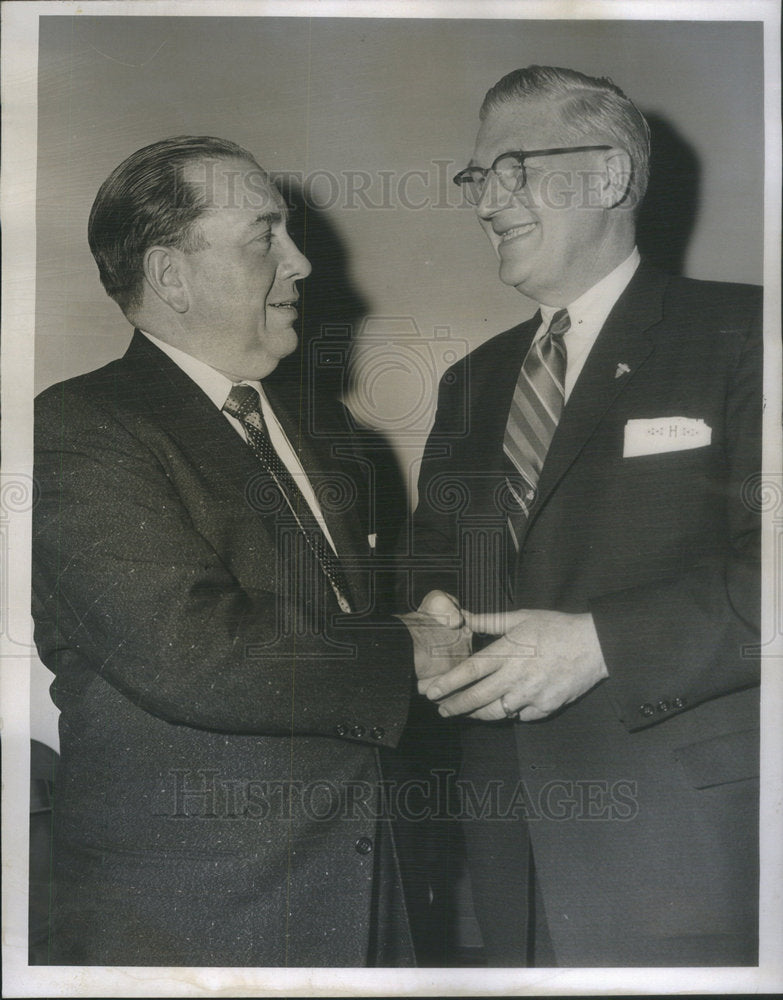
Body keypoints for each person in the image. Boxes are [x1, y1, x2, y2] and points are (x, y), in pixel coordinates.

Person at [31, 135, 470, 967]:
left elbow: (343, 628)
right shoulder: (81, 430)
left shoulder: (333, 437)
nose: (301, 263)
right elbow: (191, 651)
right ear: (171, 275)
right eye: (265, 236)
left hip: (369, 897)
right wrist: (408, 647)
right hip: (195, 921)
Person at [409, 66, 761, 966]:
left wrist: (604, 642)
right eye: (477, 179)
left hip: (686, 841)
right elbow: (429, 572)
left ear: (608, 177)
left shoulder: (745, 337)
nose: (488, 201)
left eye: (514, 168)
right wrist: (430, 624)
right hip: (502, 846)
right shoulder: (472, 384)